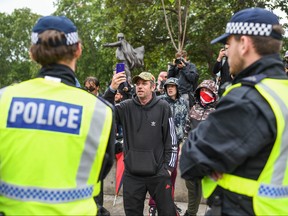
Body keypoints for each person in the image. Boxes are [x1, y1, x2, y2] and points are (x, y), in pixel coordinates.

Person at [0, 16, 115, 215]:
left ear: (32, 54)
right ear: (78, 49)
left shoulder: (4, 100)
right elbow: (100, 171)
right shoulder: (100, 111)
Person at [180, 7, 287, 216]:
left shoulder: (248, 98)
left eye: (229, 44)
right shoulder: (281, 91)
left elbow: (190, 162)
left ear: (244, 44)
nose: (227, 52)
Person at [103, 71, 178, 216]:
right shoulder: (125, 107)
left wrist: (168, 168)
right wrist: (112, 88)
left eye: (144, 84)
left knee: (167, 212)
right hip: (132, 174)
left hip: (158, 174)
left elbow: (172, 140)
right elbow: (105, 111)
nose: (140, 87)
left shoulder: (163, 107)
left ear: (153, 87)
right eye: (137, 84)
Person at [148, 77, 189, 216]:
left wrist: (183, 140)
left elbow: (185, 122)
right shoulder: (160, 101)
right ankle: (153, 204)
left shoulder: (183, 103)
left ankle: (168, 202)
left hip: (175, 143)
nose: (170, 88)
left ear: (177, 88)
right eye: (168, 86)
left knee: (172, 173)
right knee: (158, 172)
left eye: (173, 86)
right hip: (160, 142)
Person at [183, 80, 218, 216]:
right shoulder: (193, 109)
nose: (205, 93)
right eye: (203, 90)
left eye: (209, 91)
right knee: (192, 187)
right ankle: (191, 212)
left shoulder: (217, 112)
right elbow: (187, 131)